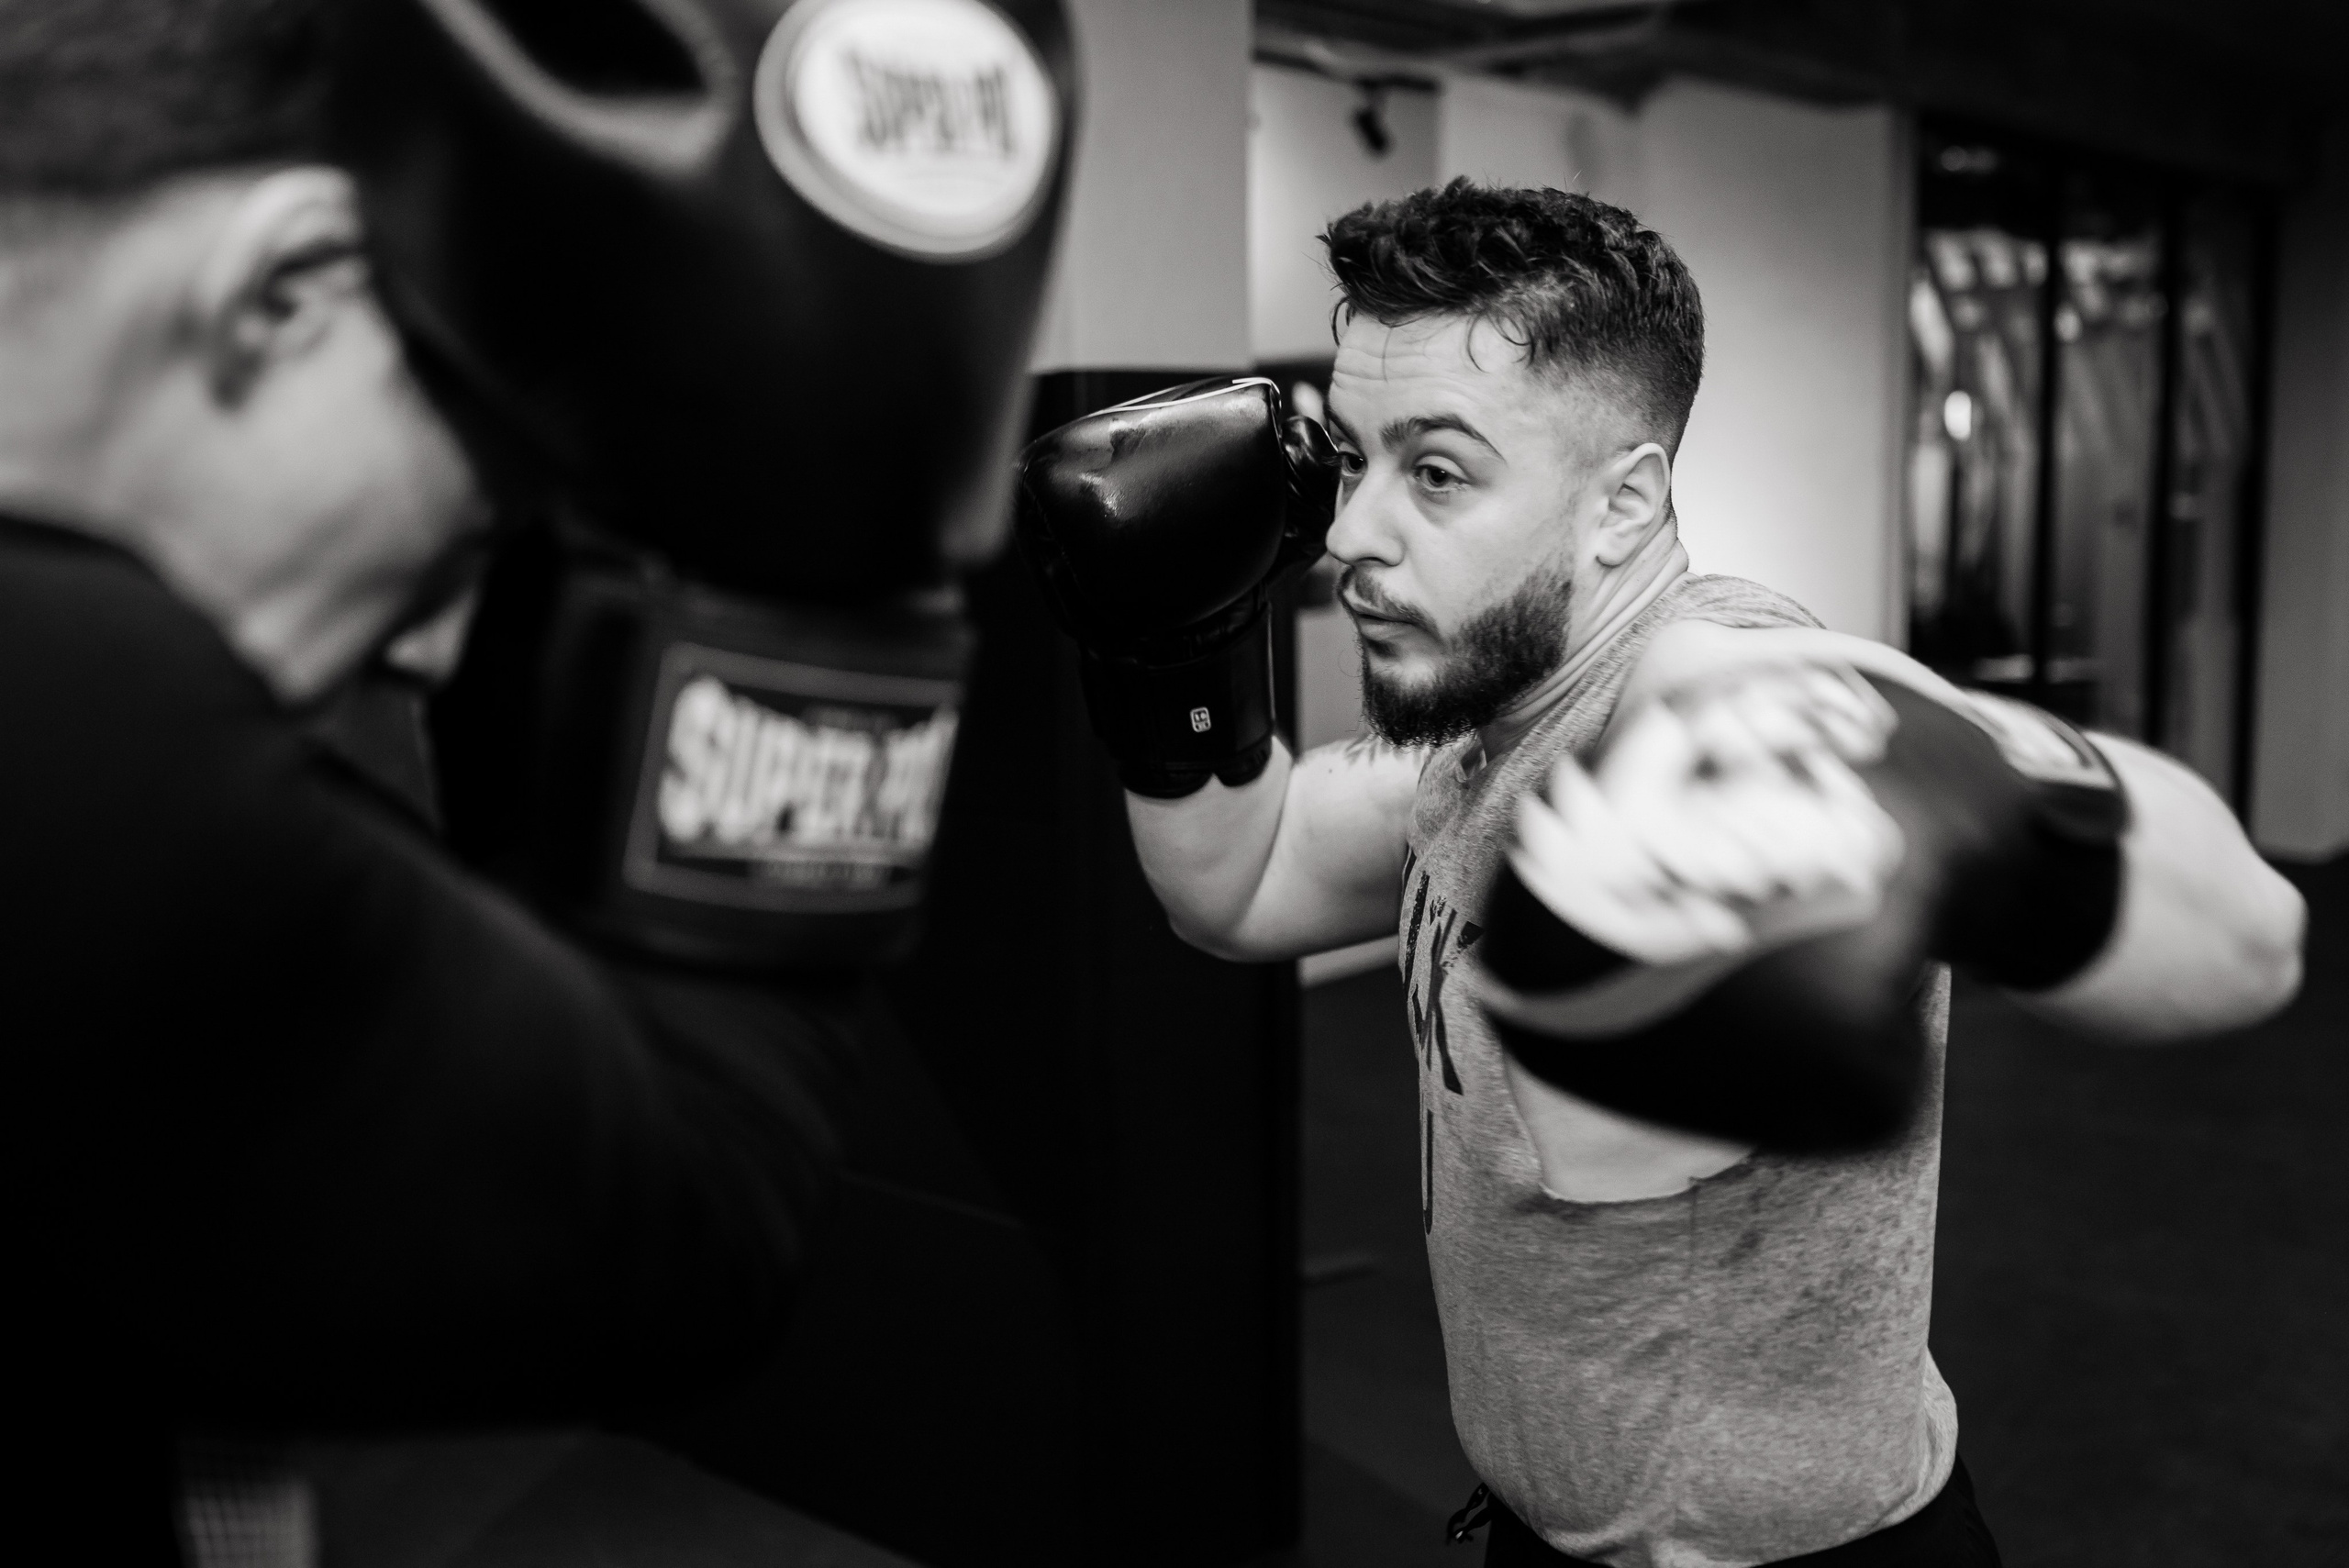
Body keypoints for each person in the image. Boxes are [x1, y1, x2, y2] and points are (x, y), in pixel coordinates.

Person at [1013, 182, 2305, 1567]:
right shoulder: (1478, 739)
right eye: (1358, 459)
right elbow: (1239, 882)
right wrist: (1168, 654)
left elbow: (2250, 933)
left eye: (1437, 473)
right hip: (1539, 1531)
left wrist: (1939, 780)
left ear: (1626, 502)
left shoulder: (1705, 678)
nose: (1347, 540)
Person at [0, 0, 1067, 1559]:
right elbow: (696, 1224)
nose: (427, 647)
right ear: (287, 289)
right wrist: (835, 568)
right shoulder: (74, 719)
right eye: (479, 512)